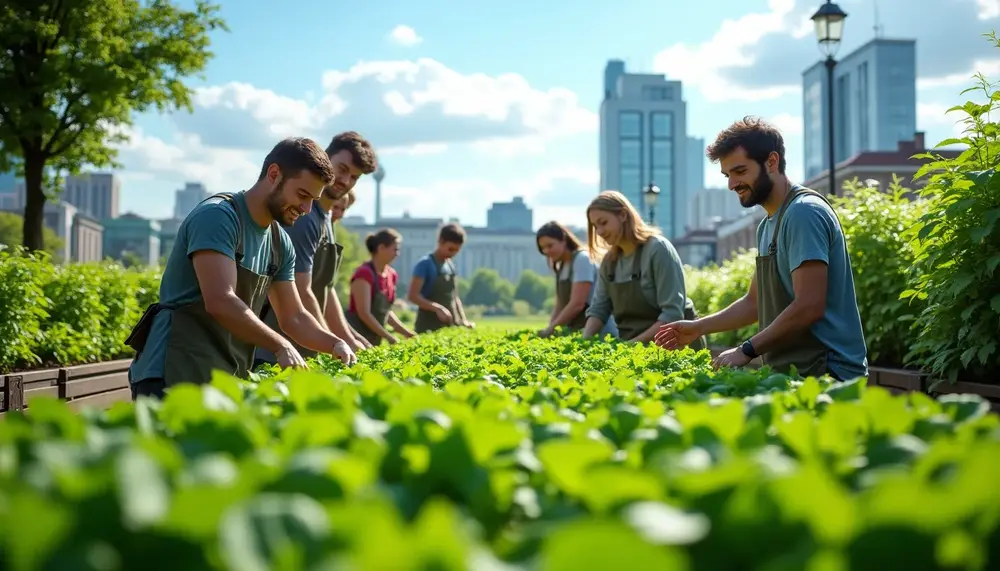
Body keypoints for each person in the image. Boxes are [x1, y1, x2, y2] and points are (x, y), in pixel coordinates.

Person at [124, 137, 357, 400]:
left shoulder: (280, 243)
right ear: (274, 174)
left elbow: (294, 317)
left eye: (313, 200)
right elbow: (220, 300)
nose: (306, 209)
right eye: (302, 195)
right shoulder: (218, 217)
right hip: (173, 371)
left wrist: (335, 343)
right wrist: (280, 345)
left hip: (224, 377)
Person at [654, 116, 868, 380]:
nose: (732, 184)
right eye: (727, 175)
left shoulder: (803, 213)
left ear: (771, 161)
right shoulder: (767, 225)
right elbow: (754, 303)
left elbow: (809, 305)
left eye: (740, 171)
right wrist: (698, 327)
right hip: (797, 372)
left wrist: (747, 350)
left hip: (829, 374)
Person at [255, 131, 378, 367]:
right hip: (277, 355)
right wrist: (331, 344)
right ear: (326, 158)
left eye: (354, 177)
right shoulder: (303, 218)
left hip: (307, 347)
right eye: (342, 169)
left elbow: (326, 290)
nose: (345, 181)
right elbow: (302, 290)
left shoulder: (325, 219)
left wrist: (347, 339)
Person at [580, 190, 706, 348]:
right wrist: (583, 343)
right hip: (635, 348)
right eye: (595, 226)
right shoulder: (610, 262)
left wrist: (631, 347)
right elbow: (599, 309)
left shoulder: (657, 249)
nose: (599, 232)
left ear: (623, 215)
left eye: (603, 222)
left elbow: (672, 314)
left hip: (676, 347)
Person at [534, 220, 617, 338]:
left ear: (563, 240)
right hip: (578, 329)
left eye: (550, 245)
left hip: (599, 330)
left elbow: (577, 303)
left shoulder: (582, 259)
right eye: (543, 248)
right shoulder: (561, 265)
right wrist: (550, 328)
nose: (546, 251)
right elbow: (560, 304)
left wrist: (551, 329)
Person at [345, 228, 416, 345]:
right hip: (355, 339)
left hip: (374, 340)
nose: (397, 254)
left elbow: (385, 313)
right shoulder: (364, 274)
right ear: (381, 248)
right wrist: (388, 336)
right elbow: (364, 313)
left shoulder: (391, 274)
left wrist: (406, 333)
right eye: (395, 249)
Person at [408, 223, 474, 333]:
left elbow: (454, 297)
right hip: (427, 328)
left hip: (449, 327)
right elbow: (413, 296)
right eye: (450, 249)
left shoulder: (450, 266)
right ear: (440, 241)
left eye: (457, 250)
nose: (453, 253)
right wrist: (438, 309)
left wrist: (463, 320)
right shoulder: (425, 264)